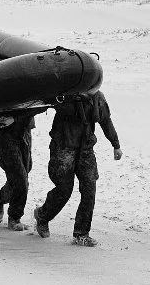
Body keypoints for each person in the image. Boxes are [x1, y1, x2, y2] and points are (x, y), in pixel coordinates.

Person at [33, 90, 122, 244]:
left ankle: (81, 233)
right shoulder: (64, 92)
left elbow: (106, 121)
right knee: (64, 189)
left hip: (86, 149)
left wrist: (116, 145)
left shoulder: (97, 97)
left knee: (89, 190)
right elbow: (40, 103)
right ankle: (43, 215)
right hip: (63, 147)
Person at [0, 111, 37, 231]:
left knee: (21, 176)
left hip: (25, 130)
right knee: (21, 179)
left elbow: (39, 106)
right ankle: (14, 218)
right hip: (7, 133)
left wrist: (16, 118)